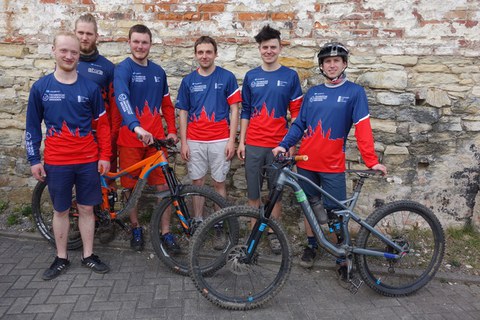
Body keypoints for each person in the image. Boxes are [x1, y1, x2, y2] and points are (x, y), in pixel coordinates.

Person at [272, 42, 387, 269]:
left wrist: (371, 161)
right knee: (307, 207)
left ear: (344, 64)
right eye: (327, 61)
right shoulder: (313, 93)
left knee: (336, 213)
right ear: (322, 66)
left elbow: (363, 128)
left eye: (336, 61)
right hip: (305, 162)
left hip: (332, 165)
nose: (332, 65)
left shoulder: (354, 92)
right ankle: (312, 245)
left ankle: (342, 255)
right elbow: (299, 125)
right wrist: (284, 145)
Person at [25, 31, 111, 280]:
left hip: (87, 161)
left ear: (79, 56)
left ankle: (88, 255)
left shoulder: (91, 88)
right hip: (56, 161)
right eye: (64, 50)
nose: (69, 55)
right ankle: (61, 258)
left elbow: (103, 126)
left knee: (86, 209)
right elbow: (32, 127)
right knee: (61, 210)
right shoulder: (40, 88)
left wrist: (104, 156)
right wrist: (34, 159)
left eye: (74, 52)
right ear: (53, 51)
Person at [237, 25, 303, 254]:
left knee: (276, 193)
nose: (268, 51)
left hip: (279, 146)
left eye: (272, 47)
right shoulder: (251, 76)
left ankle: (275, 234)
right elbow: (245, 110)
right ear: (259, 49)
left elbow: (297, 114)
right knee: (253, 193)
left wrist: (291, 145)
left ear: (279, 47)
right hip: (254, 144)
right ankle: (253, 232)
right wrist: (241, 142)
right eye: (264, 47)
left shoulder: (290, 76)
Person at [114, 24, 178, 252]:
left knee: (164, 187)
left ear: (151, 44)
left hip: (156, 141)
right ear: (129, 43)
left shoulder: (158, 72)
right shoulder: (123, 69)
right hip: (131, 139)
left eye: (144, 42)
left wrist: (172, 130)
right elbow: (121, 98)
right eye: (136, 42)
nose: (140, 46)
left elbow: (167, 105)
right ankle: (135, 227)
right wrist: (136, 127)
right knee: (132, 188)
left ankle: (166, 232)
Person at [176, 36, 241, 224]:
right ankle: (197, 220)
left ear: (215, 54)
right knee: (197, 183)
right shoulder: (188, 81)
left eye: (208, 52)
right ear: (196, 54)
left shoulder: (227, 77)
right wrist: (184, 142)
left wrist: (231, 140)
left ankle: (219, 222)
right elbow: (183, 112)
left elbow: (235, 109)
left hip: (220, 140)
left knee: (219, 183)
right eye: (200, 52)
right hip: (195, 140)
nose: (204, 56)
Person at [74, 13, 120, 176]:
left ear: (96, 36)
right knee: (78, 184)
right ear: (75, 33)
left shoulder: (107, 67)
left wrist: (112, 138)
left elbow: (115, 109)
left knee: (106, 184)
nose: (84, 37)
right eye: (81, 33)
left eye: (89, 34)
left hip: (102, 137)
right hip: (74, 136)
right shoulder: (66, 64)